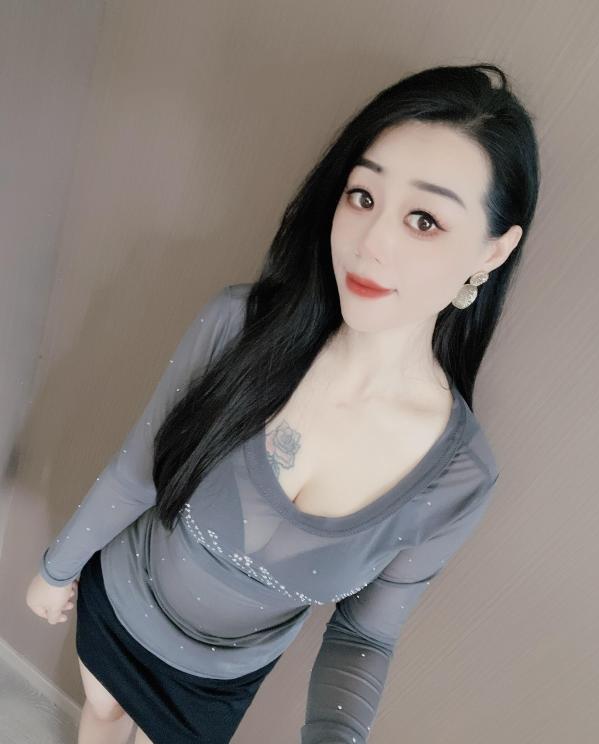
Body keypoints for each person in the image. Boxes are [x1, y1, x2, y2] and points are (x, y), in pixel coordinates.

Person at [26, 62, 539, 744]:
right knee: (101, 712)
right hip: (123, 595)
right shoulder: (237, 326)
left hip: (219, 679)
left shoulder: (458, 477)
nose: (370, 243)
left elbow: (363, 635)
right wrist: (56, 568)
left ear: (493, 251)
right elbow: (137, 471)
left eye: (424, 219)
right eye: (362, 196)